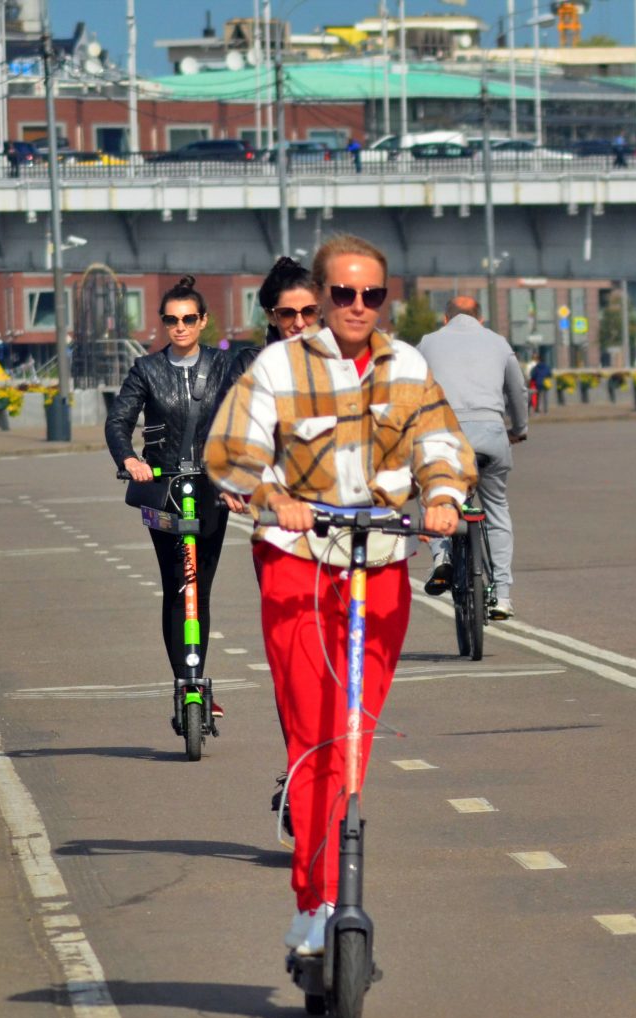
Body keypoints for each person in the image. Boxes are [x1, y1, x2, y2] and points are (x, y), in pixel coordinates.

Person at [206, 233, 471, 958]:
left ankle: (329, 894)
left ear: (385, 299)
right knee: (315, 734)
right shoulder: (279, 366)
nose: (358, 307)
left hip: (380, 564)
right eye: (344, 294)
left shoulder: (408, 366)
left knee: (352, 740)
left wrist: (443, 494)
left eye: (372, 295)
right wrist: (268, 493)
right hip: (299, 564)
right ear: (321, 298)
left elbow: (440, 443)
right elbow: (231, 452)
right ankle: (317, 903)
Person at [104, 277, 254, 725]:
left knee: (199, 589)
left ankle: (199, 678)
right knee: (176, 586)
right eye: (172, 319)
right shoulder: (146, 370)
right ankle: (185, 683)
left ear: (203, 321)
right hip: (165, 489)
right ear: (163, 322)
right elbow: (118, 421)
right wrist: (130, 458)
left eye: (189, 318)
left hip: (212, 490)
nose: (180, 326)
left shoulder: (227, 366)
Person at [415, 295, 530, 621]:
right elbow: (518, 390)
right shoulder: (498, 342)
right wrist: (519, 429)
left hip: (443, 438)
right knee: (496, 508)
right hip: (491, 437)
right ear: (481, 320)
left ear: (445, 319)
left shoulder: (427, 343)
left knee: (431, 491)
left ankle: (441, 557)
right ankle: (503, 596)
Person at [258, 255, 321, 342]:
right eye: (287, 314)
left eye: (309, 312)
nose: (299, 324)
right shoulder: (258, 356)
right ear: (270, 316)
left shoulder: (338, 354)